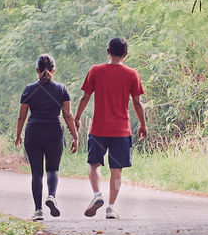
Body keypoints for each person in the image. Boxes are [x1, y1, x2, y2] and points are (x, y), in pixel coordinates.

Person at [74, 37, 147, 219]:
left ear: (108, 52)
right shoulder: (132, 74)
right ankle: (111, 208)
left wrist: (76, 117)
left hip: (98, 129)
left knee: (93, 163)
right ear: (125, 54)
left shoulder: (96, 71)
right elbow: (137, 102)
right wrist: (143, 125)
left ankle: (97, 195)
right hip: (121, 130)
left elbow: (85, 97)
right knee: (117, 170)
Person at [15, 54, 77, 220]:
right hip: (54, 132)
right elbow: (68, 115)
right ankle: (51, 196)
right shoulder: (61, 89)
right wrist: (75, 136)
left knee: (36, 173)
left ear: (37, 70)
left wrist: (18, 135)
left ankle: (38, 211)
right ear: (53, 70)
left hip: (33, 132)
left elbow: (21, 117)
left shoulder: (29, 89)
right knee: (52, 169)